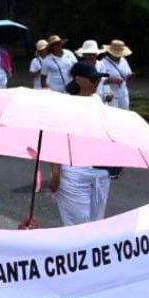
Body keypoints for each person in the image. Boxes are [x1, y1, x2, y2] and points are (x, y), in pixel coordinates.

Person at [49, 62, 113, 226]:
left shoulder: (97, 100)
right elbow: (55, 138)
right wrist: (55, 172)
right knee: (77, 226)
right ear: (79, 80)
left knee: (96, 224)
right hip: (73, 171)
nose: (97, 83)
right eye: (93, 79)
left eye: (98, 79)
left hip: (99, 170)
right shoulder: (64, 104)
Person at [99, 39, 134, 110]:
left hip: (123, 93)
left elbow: (127, 73)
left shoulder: (123, 60)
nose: (119, 56)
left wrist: (129, 77)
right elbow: (99, 81)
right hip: (111, 95)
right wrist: (111, 80)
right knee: (112, 117)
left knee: (125, 115)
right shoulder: (102, 63)